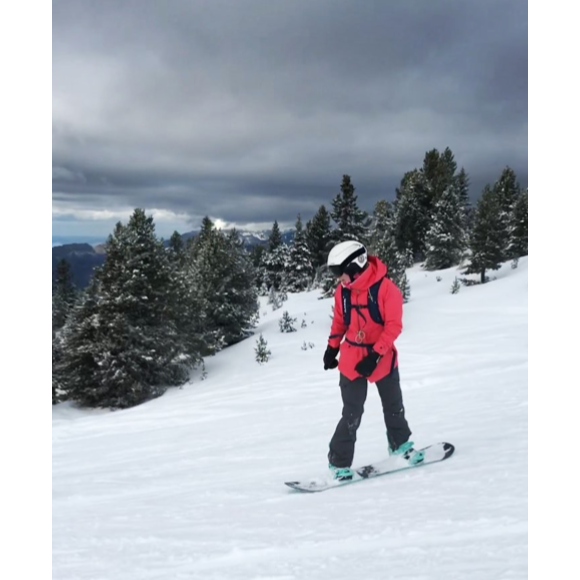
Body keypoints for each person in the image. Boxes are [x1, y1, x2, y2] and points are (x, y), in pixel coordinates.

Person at [323, 240, 424, 481]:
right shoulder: (343, 293)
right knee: (352, 412)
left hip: (382, 356)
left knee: (393, 405)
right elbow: (339, 322)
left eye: (341, 273)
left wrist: (376, 355)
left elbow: (393, 326)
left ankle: (400, 445)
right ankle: (338, 463)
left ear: (355, 266)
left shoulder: (387, 289)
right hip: (352, 357)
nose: (339, 279)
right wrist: (331, 348)